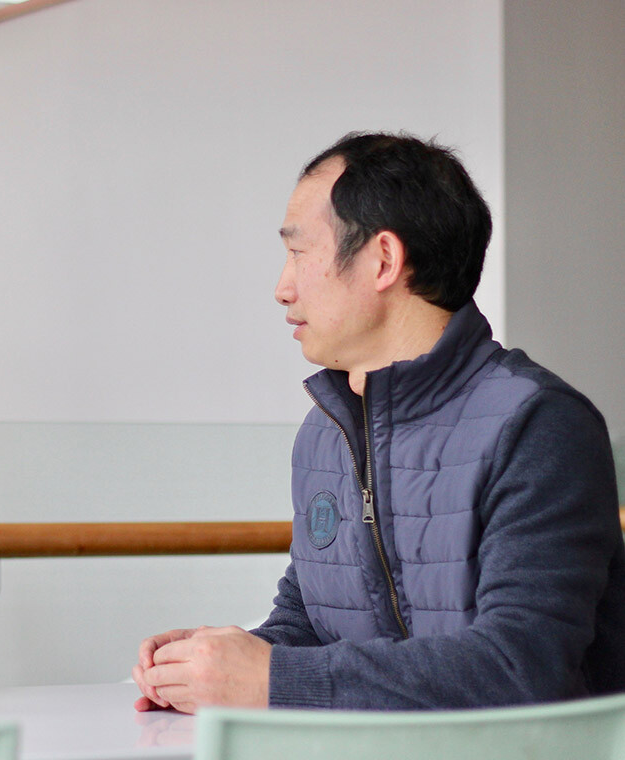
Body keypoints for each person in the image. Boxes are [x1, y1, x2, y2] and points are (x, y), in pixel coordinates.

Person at [132, 132, 625, 711]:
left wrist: (273, 678)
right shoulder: (326, 433)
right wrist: (209, 667)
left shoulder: (537, 424)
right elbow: (312, 625)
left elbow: (519, 666)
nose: (281, 287)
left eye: (297, 252)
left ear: (383, 260)